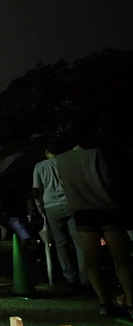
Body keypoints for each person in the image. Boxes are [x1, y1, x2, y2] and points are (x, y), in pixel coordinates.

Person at [55, 129, 133, 316]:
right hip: (106, 208)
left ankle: (104, 303)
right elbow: (109, 180)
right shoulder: (96, 154)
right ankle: (130, 301)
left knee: (91, 260)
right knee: (121, 258)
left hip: (81, 211)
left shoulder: (61, 160)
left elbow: (64, 184)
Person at [32, 139, 86, 293]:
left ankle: (70, 277)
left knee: (60, 244)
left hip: (51, 206)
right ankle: (85, 278)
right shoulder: (67, 163)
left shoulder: (40, 166)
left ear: (47, 151)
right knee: (79, 243)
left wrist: (40, 208)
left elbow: (36, 191)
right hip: (71, 203)